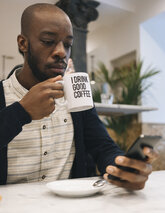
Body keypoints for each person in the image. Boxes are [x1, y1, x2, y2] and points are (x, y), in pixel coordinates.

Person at [0, 3, 153, 189]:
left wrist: (122, 170)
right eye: (48, 41)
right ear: (23, 43)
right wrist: (21, 112)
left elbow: (103, 147)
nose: (61, 52)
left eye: (68, 44)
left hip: (71, 210)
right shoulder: (3, 94)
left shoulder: (76, 95)